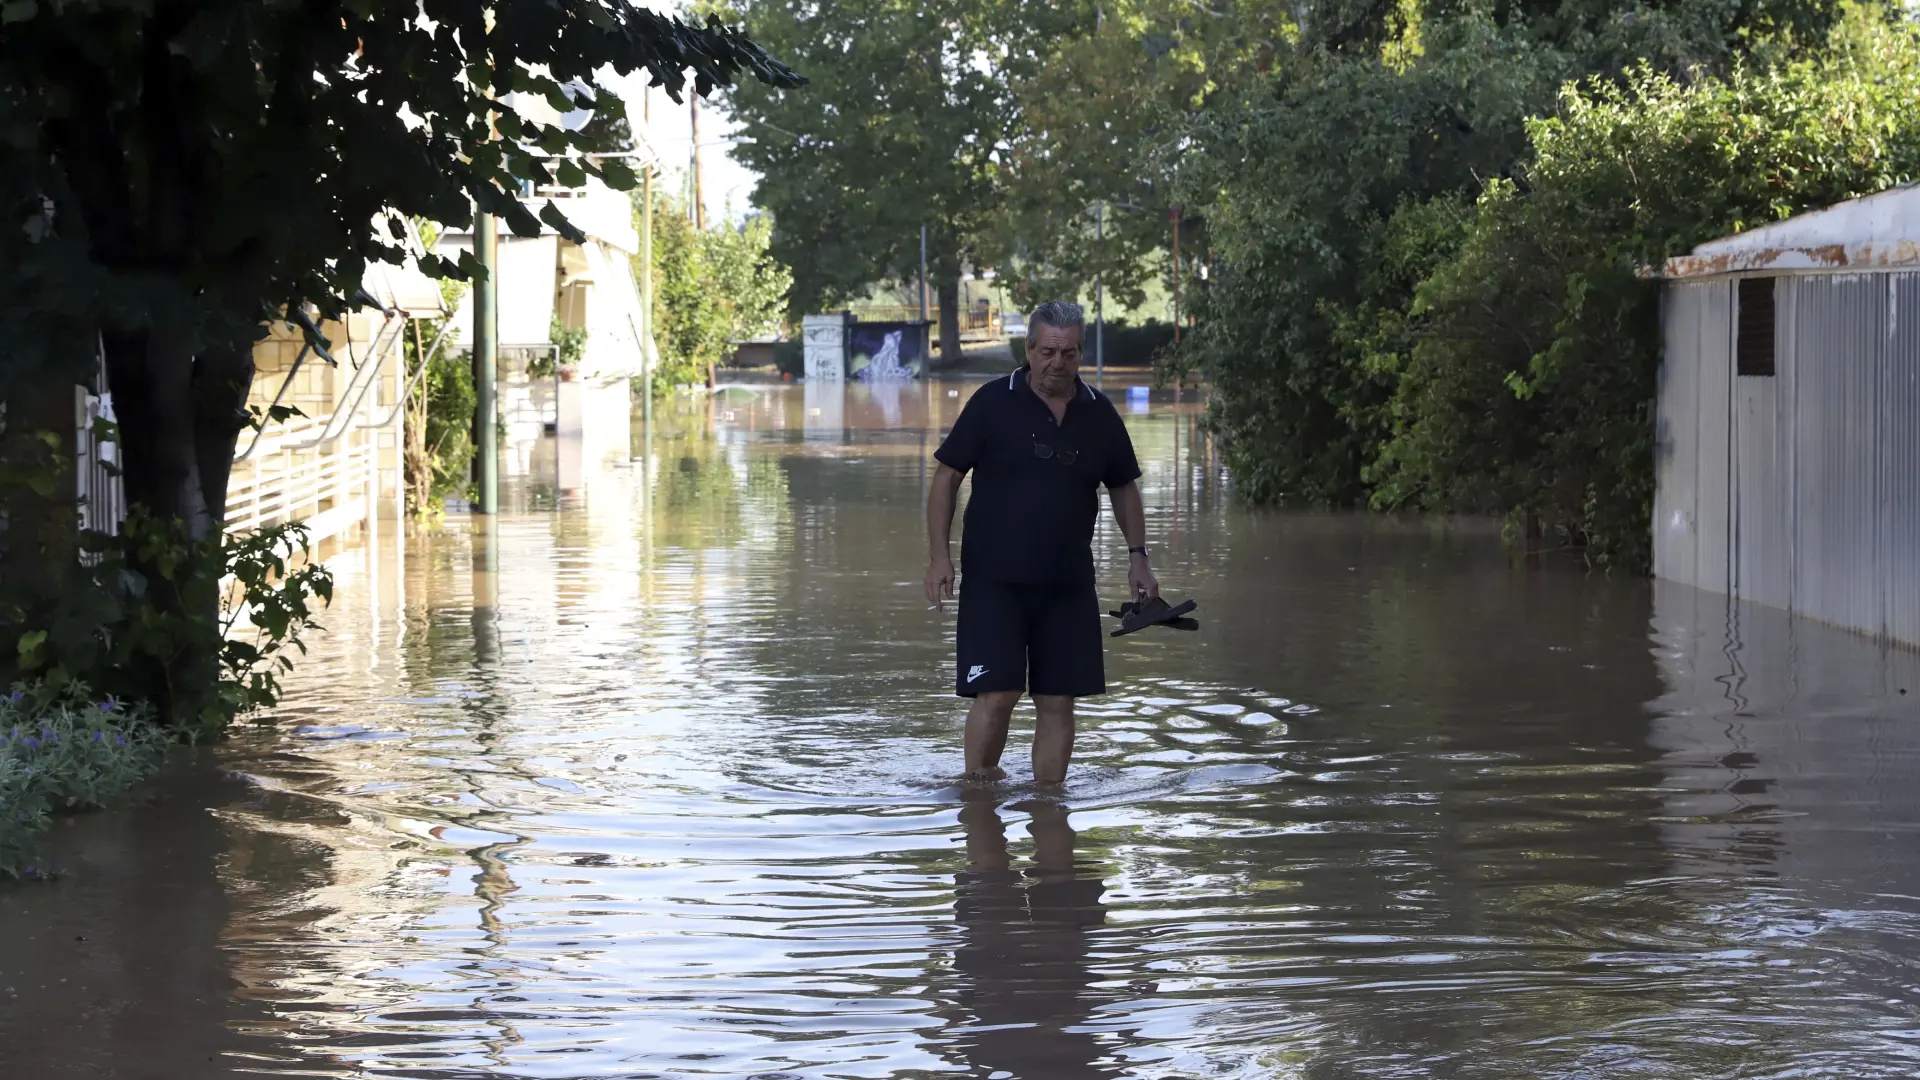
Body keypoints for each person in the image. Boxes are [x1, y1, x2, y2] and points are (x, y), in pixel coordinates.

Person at [923, 301, 1158, 784]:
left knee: (1057, 700)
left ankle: (1049, 807)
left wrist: (1139, 558)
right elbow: (947, 476)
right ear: (1029, 350)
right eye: (1048, 351)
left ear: (1080, 354)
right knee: (997, 694)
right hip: (994, 580)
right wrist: (938, 556)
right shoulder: (992, 402)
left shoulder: (1099, 412)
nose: (1058, 363)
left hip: (1068, 583)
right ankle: (979, 798)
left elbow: (1123, 486)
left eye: (1069, 353)